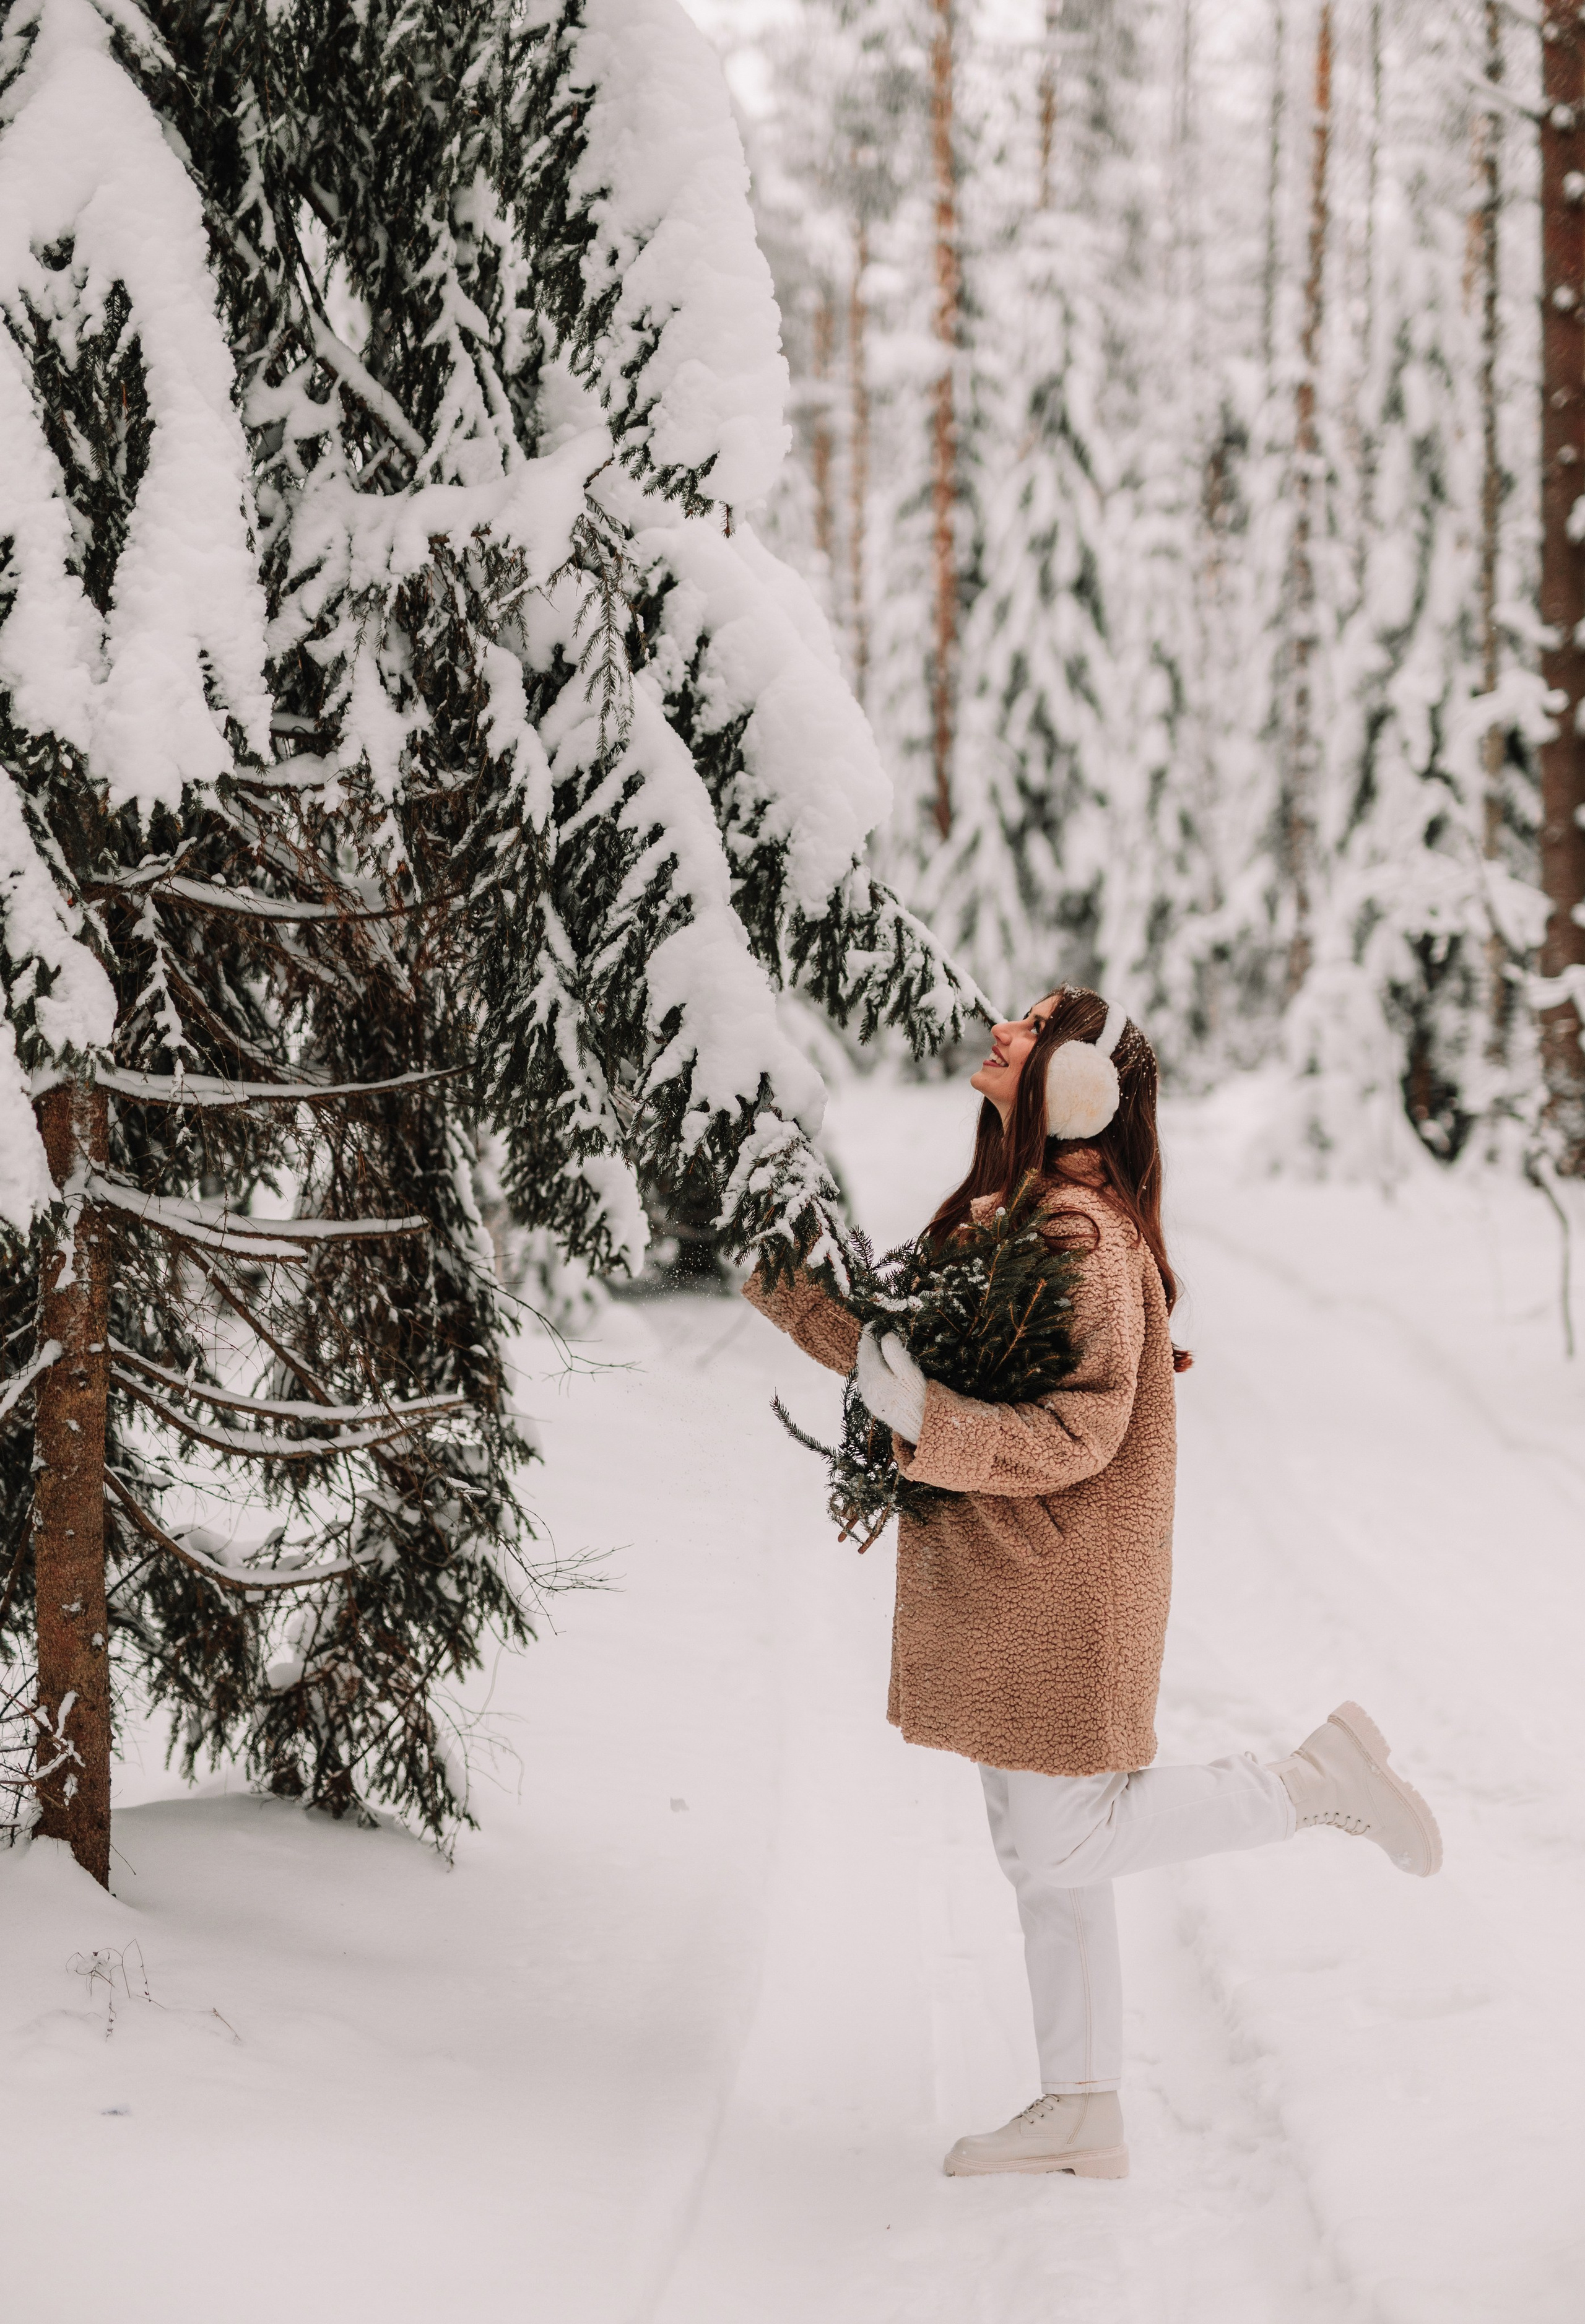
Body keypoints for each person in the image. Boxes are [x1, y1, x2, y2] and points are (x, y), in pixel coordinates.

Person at [743, 984, 1441, 2182]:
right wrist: (786, 1284)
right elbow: (892, 1343)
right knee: (1041, 1846)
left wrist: (931, 1418)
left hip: (1060, 1589)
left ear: (1077, 1088)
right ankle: (1083, 2105)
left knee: (1065, 1842)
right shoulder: (1012, 1210)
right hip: (1023, 1584)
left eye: (1033, 1025)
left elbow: (1080, 1431)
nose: (1002, 1030)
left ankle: (1307, 1783)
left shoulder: (1080, 1235)